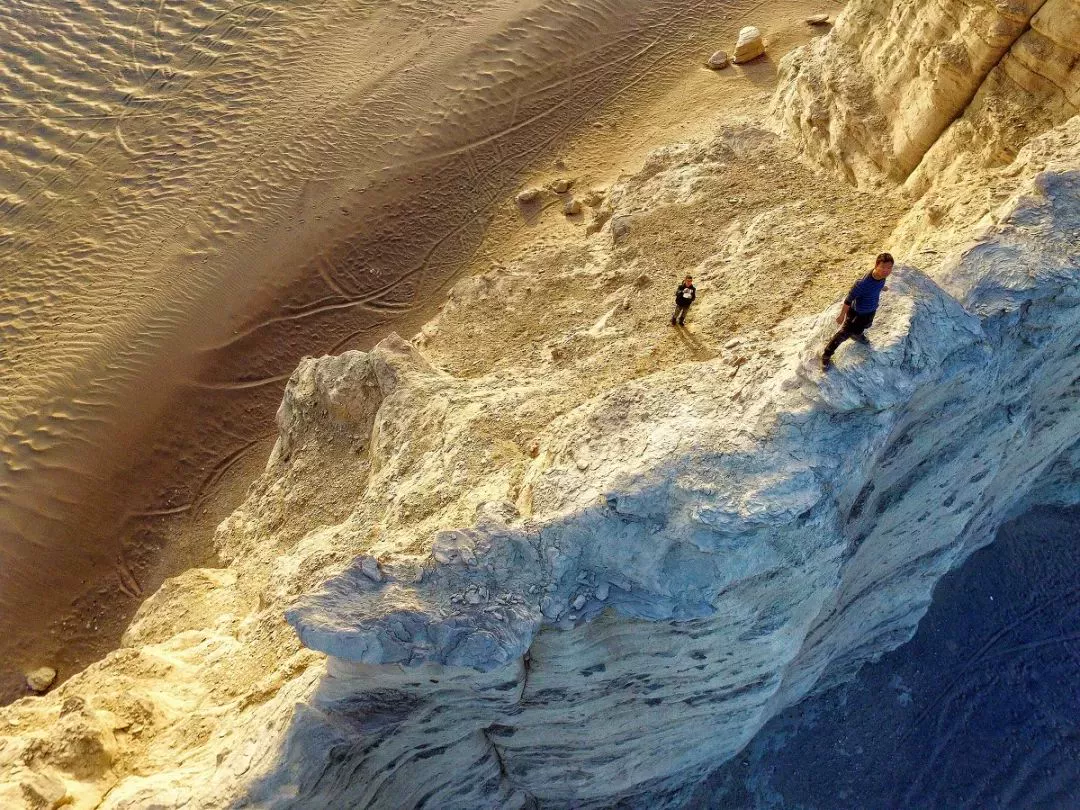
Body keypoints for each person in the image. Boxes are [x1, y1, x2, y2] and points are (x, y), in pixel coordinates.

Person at [821, 253, 894, 370]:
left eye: (889, 267)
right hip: (857, 313)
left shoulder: (882, 277)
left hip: (871, 309)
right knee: (843, 334)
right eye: (883, 267)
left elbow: (876, 285)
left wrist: (882, 287)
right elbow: (848, 300)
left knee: (866, 325)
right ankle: (826, 355)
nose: (886, 270)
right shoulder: (862, 284)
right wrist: (842, 315)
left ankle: (857, 335)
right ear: (876, 266)